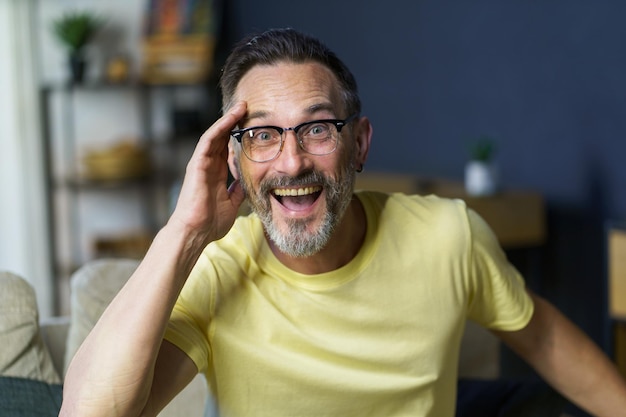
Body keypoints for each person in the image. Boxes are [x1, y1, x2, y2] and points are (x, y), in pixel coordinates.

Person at [60, 28, 626, 417]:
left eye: (318, 128)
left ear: (358, 143)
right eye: (262, 134)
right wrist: (183, 230)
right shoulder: (216, 267)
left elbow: (542, 333)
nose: (292, 161)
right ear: (232, 158)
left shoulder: (448, 235)